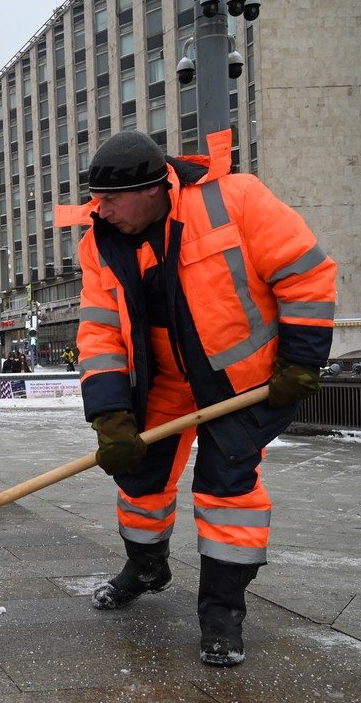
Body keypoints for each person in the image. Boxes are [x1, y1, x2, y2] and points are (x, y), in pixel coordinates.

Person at [55, 130, 336, 667]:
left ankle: (222, 614)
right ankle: (146, 566)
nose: (101, 209)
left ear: (155, 188)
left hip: (242, 382)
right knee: (139, 480)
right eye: (97, 198)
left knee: (227, 489)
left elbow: (306, 273)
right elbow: (100, 329)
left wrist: (300, 362)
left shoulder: (237, 199)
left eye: (111, 199)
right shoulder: (100, 243)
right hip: (160, 380)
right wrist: (111, 413)